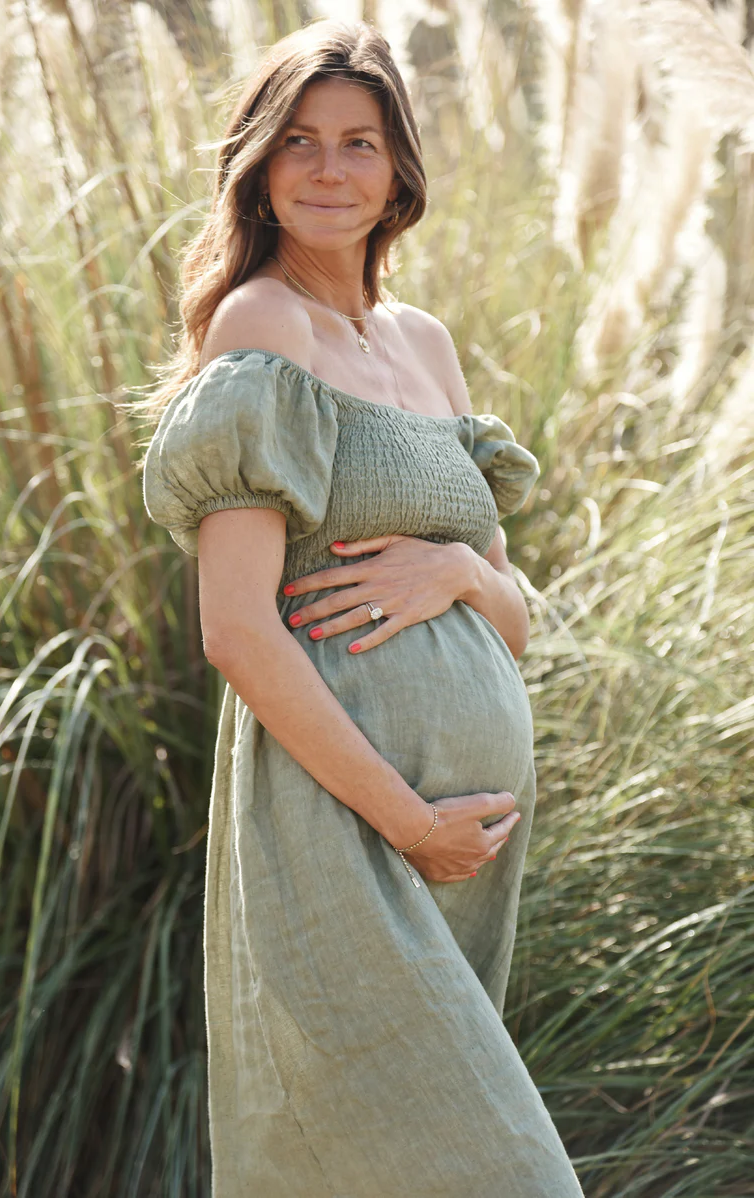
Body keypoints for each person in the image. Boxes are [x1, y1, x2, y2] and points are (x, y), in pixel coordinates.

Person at [141, 18, 584, 1197]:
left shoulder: (425, 346)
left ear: (399, 173)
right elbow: (234, 629)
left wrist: (457, 574)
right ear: (259, 166)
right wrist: (404, 820)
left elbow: (513, 612)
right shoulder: (259, 330)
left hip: (463, 838)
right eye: (298, 143)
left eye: (359, 144)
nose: (329, 170)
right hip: (348, 825)